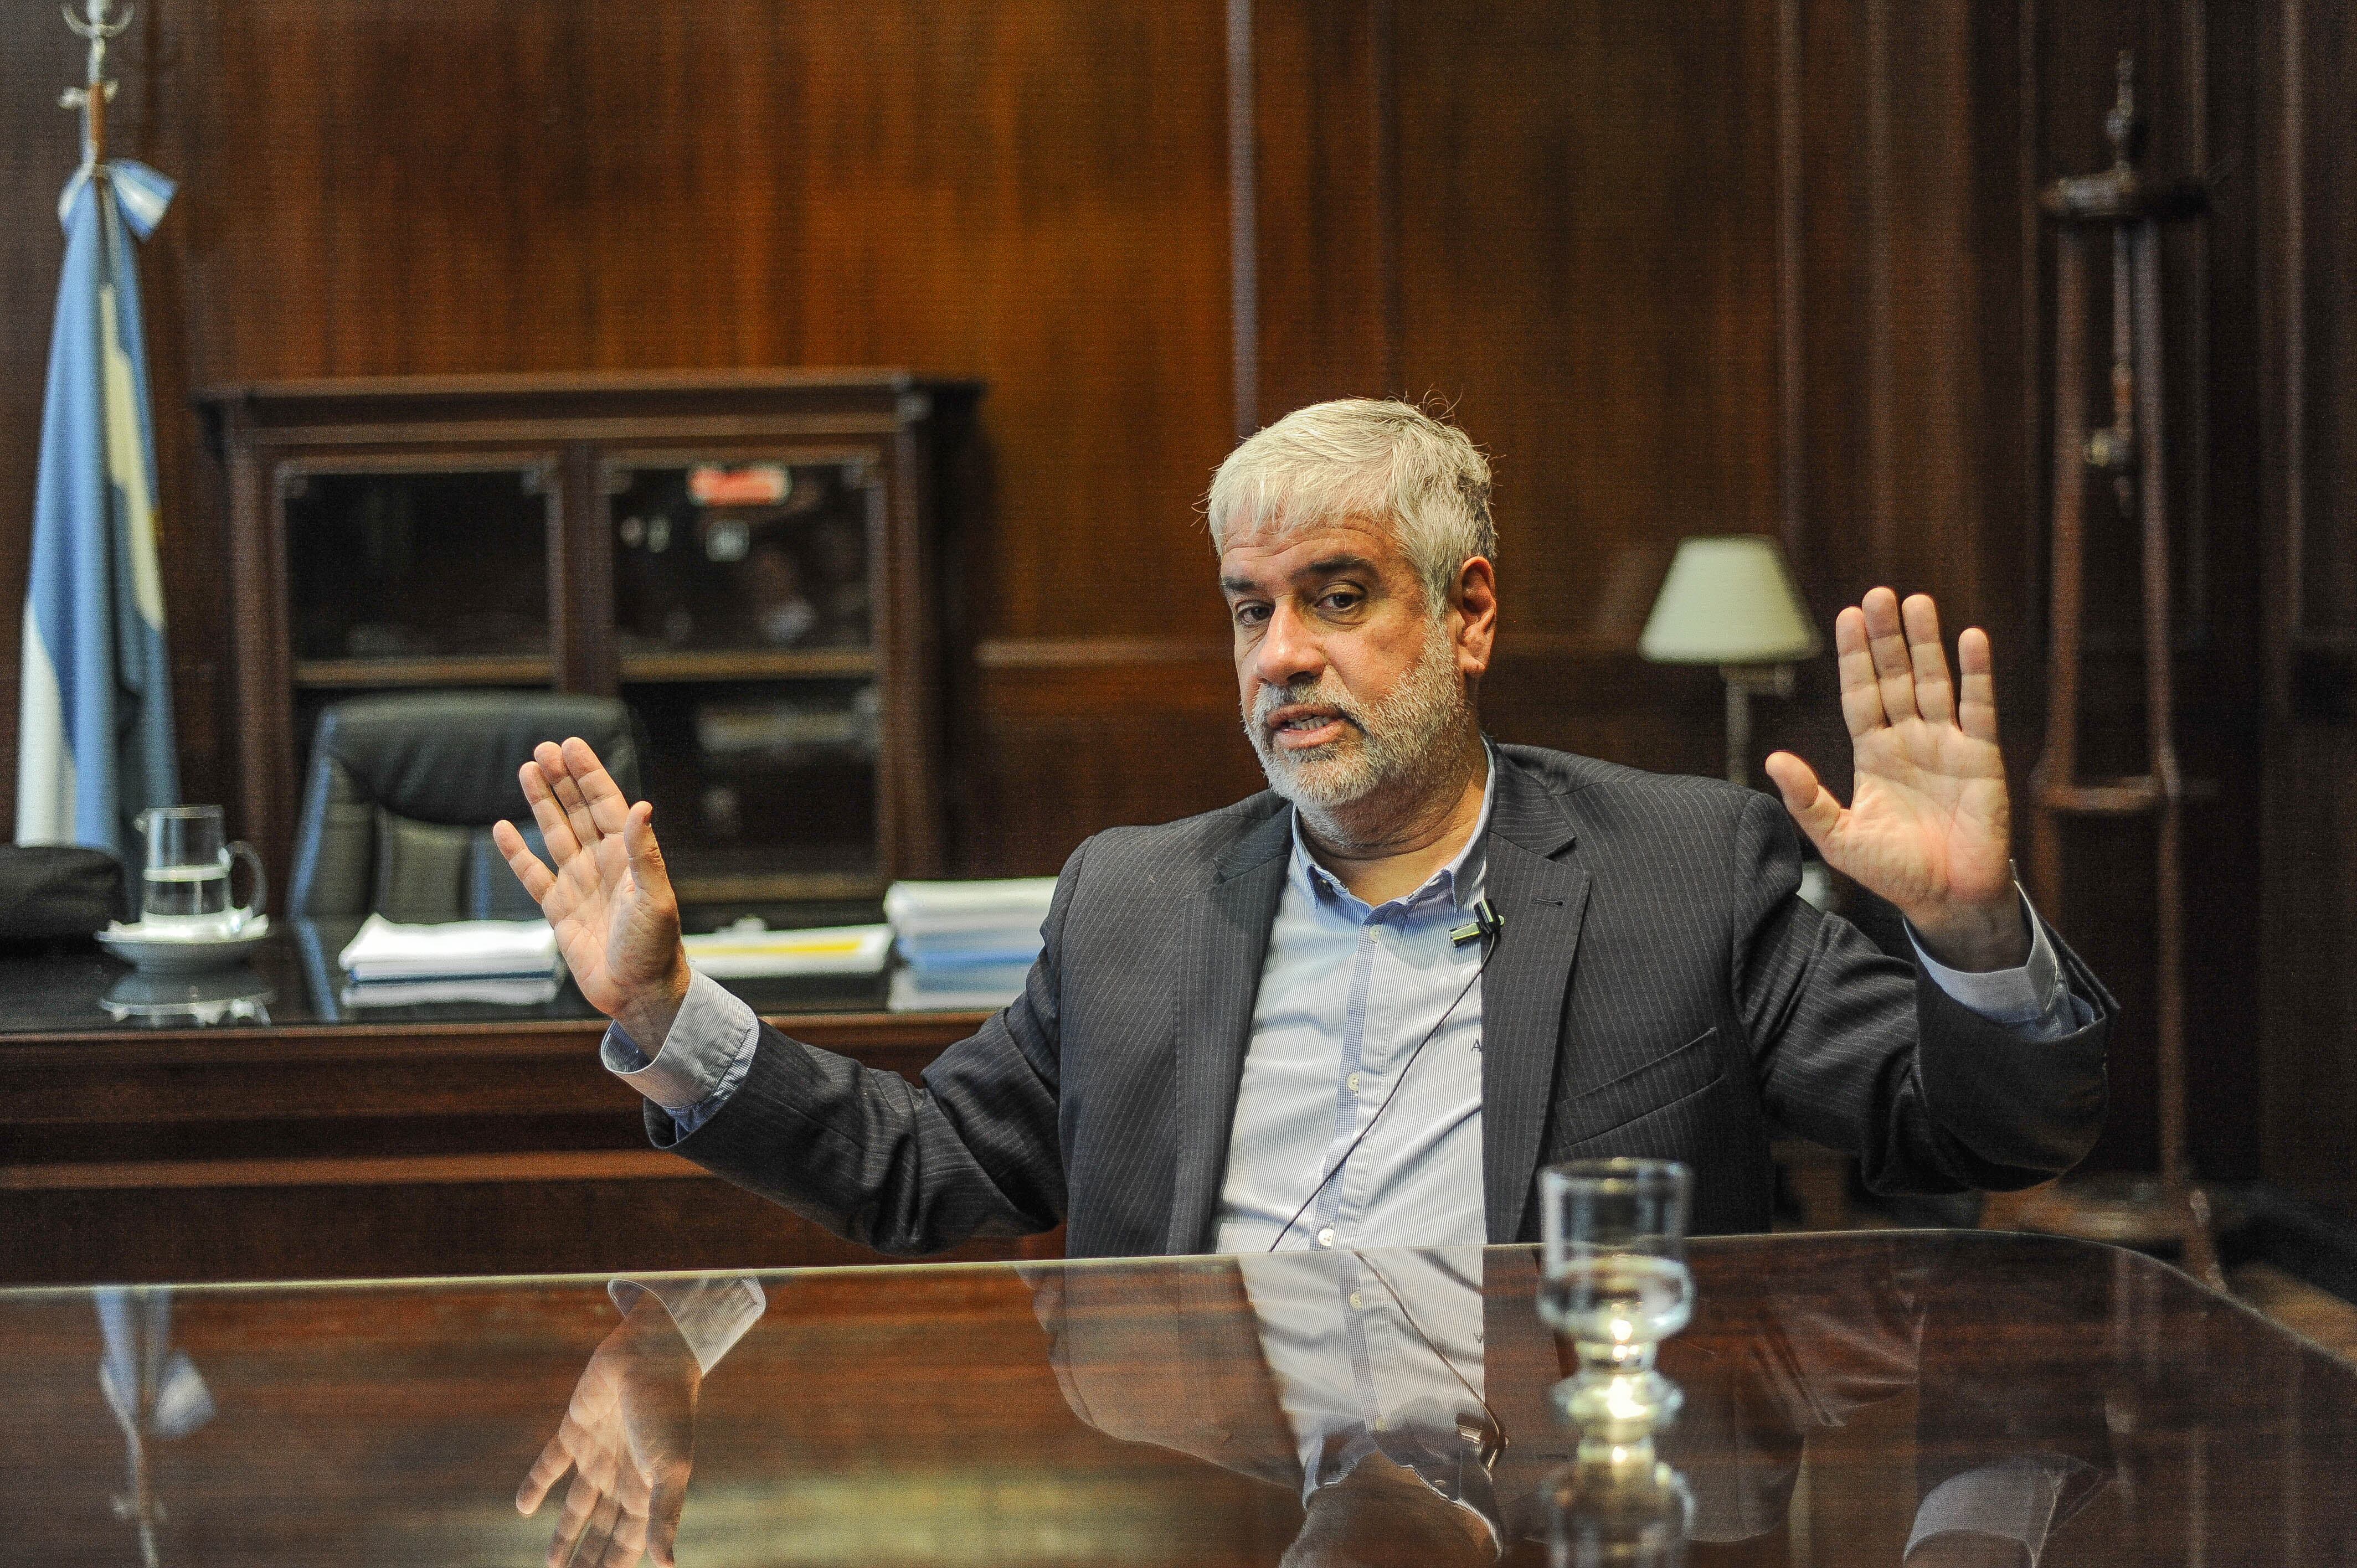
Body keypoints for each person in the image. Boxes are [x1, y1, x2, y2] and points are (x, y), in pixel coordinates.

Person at [493, 399, 2112, 1257]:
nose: (1279, 655)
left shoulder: (1683, 870)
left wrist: (1972, 937)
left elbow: (1978, 1140)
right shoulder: (1133, 900)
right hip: (1211, 1507)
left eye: (1337, 598)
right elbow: (934, 1171)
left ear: (1468, 613)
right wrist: (658, 1011)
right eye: (1249, 609)